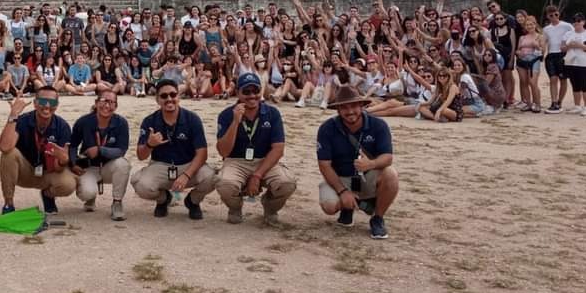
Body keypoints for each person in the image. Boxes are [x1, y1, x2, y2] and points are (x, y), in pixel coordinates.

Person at [316, 85, 399, 240]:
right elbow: (324, 165)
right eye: (344, 107)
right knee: (328, 205)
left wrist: (371, 164)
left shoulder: (379, 125)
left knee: (391, 174)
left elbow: (388, 157)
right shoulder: (326, 129)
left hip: (367, 177)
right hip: (340, 178)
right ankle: (348, 207)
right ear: (338, 110)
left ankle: (378, 218)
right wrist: (342, 191)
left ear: (362, 105)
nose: (350, 111)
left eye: (354, 105)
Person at [215, 72, 296, 225]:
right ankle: (235, 207)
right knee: (224, 184)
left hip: (265, 160)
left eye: (256, 91)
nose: (252, 95)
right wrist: (235, 122)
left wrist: (257, 175)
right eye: (246, 91)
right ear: (237, 92)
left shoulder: (272, 113)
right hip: (236, 160)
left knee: (287, 183)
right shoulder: (226, 115)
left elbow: (278, 149)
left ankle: (270, 207)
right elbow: (223, 152)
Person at [131, 78, 217, 220]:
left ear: (179, 96)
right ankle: (164, 199)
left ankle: (193, 201)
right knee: (140, 184)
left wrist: (186, 175)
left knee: (213, 177)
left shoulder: (192, 119)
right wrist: (150, 144)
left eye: (173, 94)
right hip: (161, 165)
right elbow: (141, 156)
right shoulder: (149, 121)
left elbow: (202, 154)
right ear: (157, 100)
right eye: (164, 96)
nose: (169, 99)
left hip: (188, 165)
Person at [0, 87, 76, 214]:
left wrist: (62, 161)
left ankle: (48, 195)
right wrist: (13, 115)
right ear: (35, 103)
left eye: (52, 103)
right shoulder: (22, 120)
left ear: (57, 106)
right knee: (9, 154)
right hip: (24, 171)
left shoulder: (62, 126)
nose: (47, 106)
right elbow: (4, 147)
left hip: (47, 172)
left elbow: (58, 169)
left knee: (68, 184)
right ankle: (8, 204)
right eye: (43, 101)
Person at [70, 89, 130, 221]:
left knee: (123, 164)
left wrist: (99, 150)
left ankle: (117, 203)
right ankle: (91, 197)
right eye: (103, 101)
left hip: (109, 166)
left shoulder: (121, 123)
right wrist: (73, 164)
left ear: (116, 106)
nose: (107, 106)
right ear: (96, 103)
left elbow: (122, 150)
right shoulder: (83, 122)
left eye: (111, 102)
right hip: (89, 166)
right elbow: (73, 145)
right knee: (86, 193)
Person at [561, 13, 586, 116]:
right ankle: (577, 106)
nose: (577, 23)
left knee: (585, 85)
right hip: (571, 62)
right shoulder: (568, 34)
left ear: (583, 22)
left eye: (579, 21)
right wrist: (569, 46)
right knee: (575, 85)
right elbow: (562, 48)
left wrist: (580, 45)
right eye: (575, 21)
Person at [542, 6, 573, 112]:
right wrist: (541, 52)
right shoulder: (546, 29)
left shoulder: (567, 26)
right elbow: (544, 42)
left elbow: (573, 36)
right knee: (553, 79)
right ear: (547, 16)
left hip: (563, 54)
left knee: (563, 79)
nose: (554, 17)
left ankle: (560, 101)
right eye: (551, 15)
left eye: (556, 14)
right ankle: (554, 101)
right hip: (551, 55)